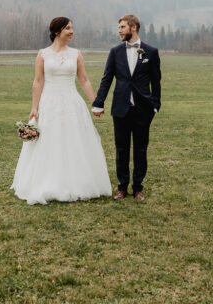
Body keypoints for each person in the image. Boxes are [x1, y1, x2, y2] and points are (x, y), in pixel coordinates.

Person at [11, 17, 111, 204]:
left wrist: (95, 102)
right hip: (49, 103)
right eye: (68, 28)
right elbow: (38, 81)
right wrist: (34, 107)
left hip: (72, 103)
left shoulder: (76, 54)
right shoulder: (43, 54)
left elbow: (84, 80)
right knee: (50, 142)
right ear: (57, 32)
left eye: (72, 28)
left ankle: (77, 182)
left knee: (74, 141)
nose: (72, 31)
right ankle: (48, 181)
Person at [92, 14, 161, 202]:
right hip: (120, 109)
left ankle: (138, 188)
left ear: (134, 28)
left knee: (140, 149)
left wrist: (155, 106)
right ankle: (122, 188)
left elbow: (156, 81)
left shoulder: (151, 52)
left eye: (123, 27)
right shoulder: (115, 52)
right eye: (119, 27)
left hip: (143, 110)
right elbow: (107, 79)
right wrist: (99, 102)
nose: (119, 31)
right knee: (121, 149)